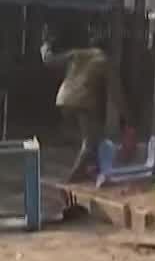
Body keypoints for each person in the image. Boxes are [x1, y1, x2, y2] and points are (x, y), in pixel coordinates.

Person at [40, 25, 120, 182]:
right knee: (90, 142)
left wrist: (45, 44)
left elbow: (49, 60)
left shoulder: (77, 54)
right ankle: (72, 178)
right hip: (83, 102)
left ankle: (91, 168)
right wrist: (128, 118)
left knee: (93, 136)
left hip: (63, 100)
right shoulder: (104, 60)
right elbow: (116, 93)